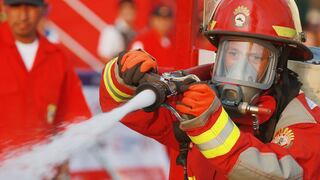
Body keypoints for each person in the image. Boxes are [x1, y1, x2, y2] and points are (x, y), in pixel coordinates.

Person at [99, 0, 320, 179]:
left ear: (279, 63)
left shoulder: (301, 118)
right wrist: (124, 75)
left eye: (255, 56)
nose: (240, 67)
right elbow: (121, 105)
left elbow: (284, 173)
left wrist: (210, 126)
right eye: (232, 53)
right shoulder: (194, 98)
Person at [0, 0, 91, 155]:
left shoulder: (58, 58)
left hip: (42, 170)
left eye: (31, 7)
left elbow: (73, 115)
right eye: (16, 6)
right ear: (5, 8)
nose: (23, 15)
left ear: (44, 10)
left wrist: (62, 159)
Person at [129, 4, 175, 72]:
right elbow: (133, 68)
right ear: (152, 20)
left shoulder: (175, 42)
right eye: (159, 19)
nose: (163, 22)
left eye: (166, 19)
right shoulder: (141, 41)